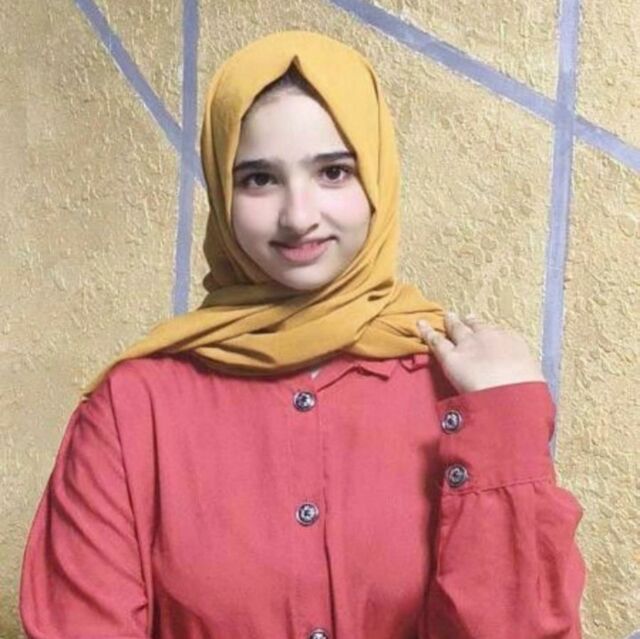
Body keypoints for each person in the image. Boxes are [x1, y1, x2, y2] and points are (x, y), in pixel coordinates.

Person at [19, 29, 586, 639]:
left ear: (377, 177)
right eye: (258, 179)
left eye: (333, 172)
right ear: (221, 189)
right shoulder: (133, 408)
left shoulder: (463, 391)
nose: (298, 216)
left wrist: (504, 422)